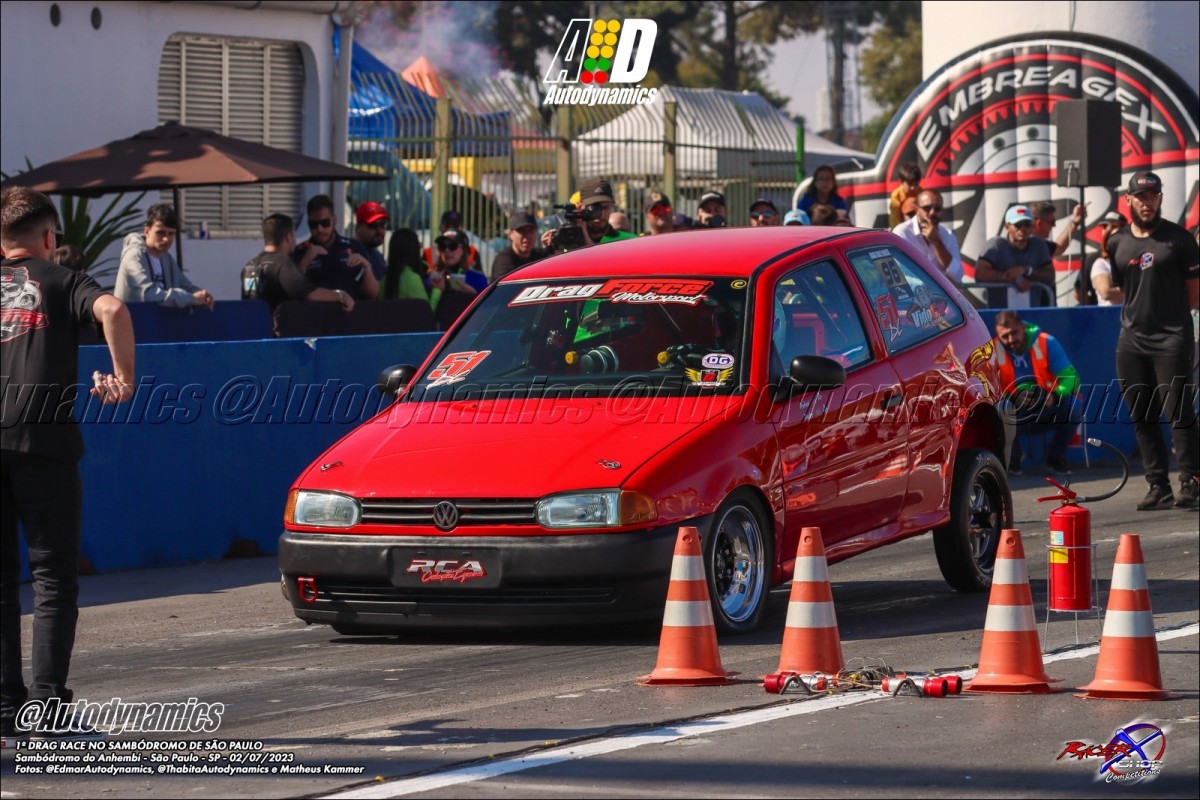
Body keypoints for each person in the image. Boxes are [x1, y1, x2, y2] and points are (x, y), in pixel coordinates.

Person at [2, 186, 136, 742]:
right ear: (49, 236)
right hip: (43, 442)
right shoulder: (62, 280)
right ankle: (45, 707)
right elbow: (114, 309)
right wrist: (123, 378)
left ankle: (6, 706)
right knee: (53, 577)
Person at [1107, 171, 1199, 510]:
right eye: (1141, 197)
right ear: (1128, 200)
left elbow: (1193, 294)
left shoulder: (1179, 240)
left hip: (1172, 338)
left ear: (1160, 198)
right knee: (1142, 415)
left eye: (1153, 196)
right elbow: (1123, 288)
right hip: (1131, 340)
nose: (1147, 202)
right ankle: (1158, 485)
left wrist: (1173, 323)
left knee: (1178, 412)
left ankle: (1191, 481)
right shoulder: (1117, 242)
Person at [990, 310, 1082, 476]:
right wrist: (1013, 397)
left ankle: (1056, 458)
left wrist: (1054, 395)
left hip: (1047, 406)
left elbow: (1072, 378)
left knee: (1073, 406)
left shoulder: (1046, 342)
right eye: (1005, 336)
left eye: (1014, 333)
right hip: (1015, 411)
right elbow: (988, 389)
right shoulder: (993, 349)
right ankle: (1012, 460)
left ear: (1023, 327)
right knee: (997, 410)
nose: (1011, 340)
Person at [242, 213, 354, 315]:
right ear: (289, 236)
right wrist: (341, 295)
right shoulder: (282, 264)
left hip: (252, 328)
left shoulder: (249, 266)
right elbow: (312, 294)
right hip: (275, 328)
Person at [114, 203, 213, 310]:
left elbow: (185, 286)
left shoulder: (166, 258)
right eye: (160, 233)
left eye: (171, 234)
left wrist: (203, 296)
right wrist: (190, 298)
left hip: (156, 320)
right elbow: (147, 294)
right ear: (147, 231)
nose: (166, 239)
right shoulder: (134, 256)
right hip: (133, 319)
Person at [296, 194, 379, 301]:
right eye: (313, 225)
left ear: (334, 220)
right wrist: (305, 261)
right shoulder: (300, 250)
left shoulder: (354, 246)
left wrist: (366, 267)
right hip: (315, 310)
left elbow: (372, 294)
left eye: (325, 223)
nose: (320, 229)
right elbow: (294, 291)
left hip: (350, 310)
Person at [974, 205, 1055, 307]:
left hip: (1032, 312)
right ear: (1007, 227)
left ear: (1032, 226)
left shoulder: (1039, 244)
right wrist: (1014, 279)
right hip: (1001, 314)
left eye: (1027, 224)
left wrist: (1027, 270)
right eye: (1018, 224)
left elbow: (1050, 277)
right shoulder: (996, 244)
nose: (1023, 229)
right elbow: (980, 274)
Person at [542, 178, 637, 251]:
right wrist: (550, 250)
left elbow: (598, 262)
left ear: (612, 206)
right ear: (580, 206)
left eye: (605, 207)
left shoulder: (629, 241)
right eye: (594, 208)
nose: (601, 214)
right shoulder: (566, 241)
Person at [891, 189, 963, 282]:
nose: (932, 212)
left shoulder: (948, 235)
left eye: (937, 209)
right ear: (917, 210)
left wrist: (937, 243)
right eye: (927, 208)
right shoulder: (902, 233)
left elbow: (957, 275)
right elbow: (899, 273)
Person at [1081, 211, 1126, 306]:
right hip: (1110, 312)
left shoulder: (1134, 257)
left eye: (1114, 227)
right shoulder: (1096, 261)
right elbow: (1106, 293)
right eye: (1105, 227)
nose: (1107, 230)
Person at [384, 228, 439, 307]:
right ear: (412, 250)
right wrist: (437, 291)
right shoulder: (411, 278)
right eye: (417, 244)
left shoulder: (383, 279)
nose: (420, 246)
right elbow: (426, 311)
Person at [491, 211, 547, 280]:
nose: (527, 236)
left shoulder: (539, 256)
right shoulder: (503, 261)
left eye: (531, 231)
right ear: (510, 234)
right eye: (522, 231)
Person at [431, 229, 487, 295]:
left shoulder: (478, 278)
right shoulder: (433, 278)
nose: (447, 250)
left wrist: (473, 295)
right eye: (442, 246)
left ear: (463, 250)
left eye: (452, 246)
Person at [352, 201, 389, 281]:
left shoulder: (379, 258)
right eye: (373, 225)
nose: (379, 230)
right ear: (358, 227)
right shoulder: (347, 254)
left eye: (382, 225)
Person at [888, 162, 923, 228]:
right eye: (910, 184)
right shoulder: (896, 196)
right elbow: (895, 219)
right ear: (901, 181)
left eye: (916, 184)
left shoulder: (922, 193)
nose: (913, 188)